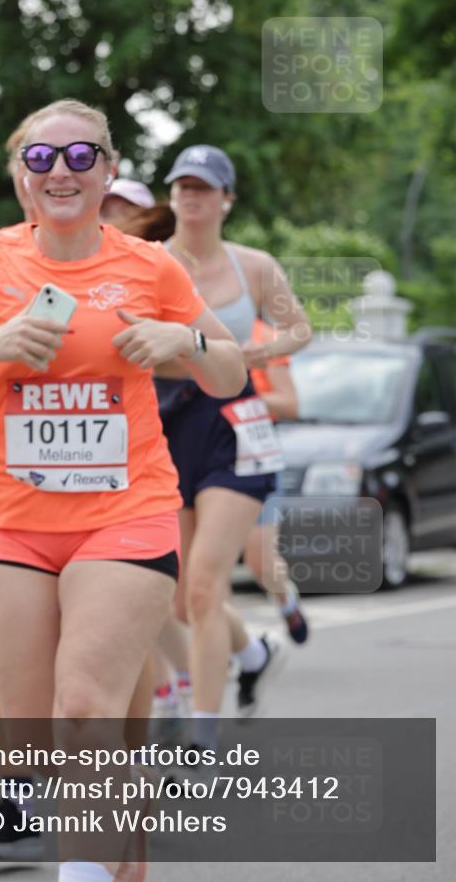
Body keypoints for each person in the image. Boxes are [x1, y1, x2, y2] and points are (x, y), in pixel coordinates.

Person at [0, 99, 246, 882]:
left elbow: (231, 373)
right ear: (21, 177)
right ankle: (127, 852)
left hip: (126, 513)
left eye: (82, 156)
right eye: (42, 158)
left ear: (111, 169)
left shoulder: (151, 266)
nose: (62, 171)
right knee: (34, 743)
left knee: (83, 706)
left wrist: (184, 340)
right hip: (15, 526)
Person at [154, 144, 311, 740]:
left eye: (203, 187)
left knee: (203, 584)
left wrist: (256, 352)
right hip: (167, 424)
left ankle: (203, 734)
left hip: (235, 425)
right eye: (182, 186)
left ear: (226, 199)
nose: (191, 197)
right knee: (173, 597)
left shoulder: (254, 266)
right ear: (171, 197)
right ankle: (253, 654)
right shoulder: (150, 262)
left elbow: (299, 328)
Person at [242, 318, 309, 644]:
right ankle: (227, 648)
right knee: (202, 568)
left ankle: (286, 603)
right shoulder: (187, 328)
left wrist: (238, 393)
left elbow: (290, 403)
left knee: (261, 562)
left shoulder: (262, 339)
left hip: (255, 451)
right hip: (200, 452)